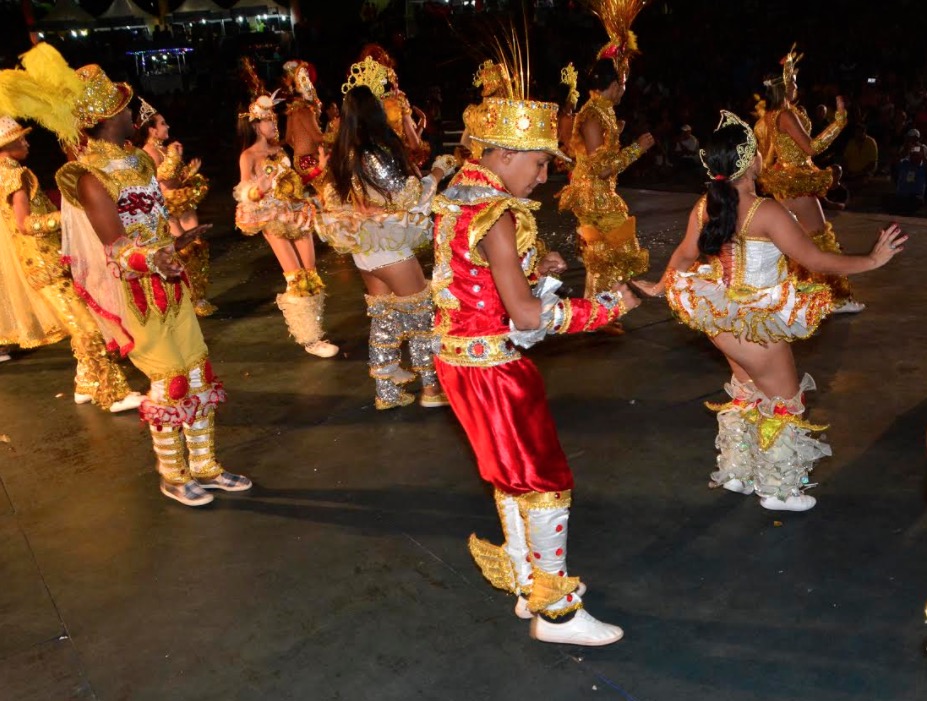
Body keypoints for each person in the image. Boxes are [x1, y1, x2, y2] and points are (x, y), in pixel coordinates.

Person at [433, 70, 641, 646]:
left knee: (510, 476)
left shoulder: (459, 193)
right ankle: (556, 613)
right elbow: (525, 317)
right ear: (501, 154)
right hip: (496, 369)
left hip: (458, 361)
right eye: (538, 163)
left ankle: (528, 587)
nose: (545, 177)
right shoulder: (498, 213)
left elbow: (474, 281)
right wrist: (603, 309)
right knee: (546, 480)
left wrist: (530, 269)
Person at [0, 43, 251, 506]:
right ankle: (174, 476)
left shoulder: (137, 160)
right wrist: (158, 257)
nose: (131, 111)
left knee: (198, 371)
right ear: (108, 117)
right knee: (170, 380)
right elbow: (116, 251)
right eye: (124, 107)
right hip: (137, 292)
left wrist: (177, 242)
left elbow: (152, 222)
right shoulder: (86, 176)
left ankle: (206, 466)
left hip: (170, 283)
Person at [635, 111, 905, 512]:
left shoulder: (704, 206)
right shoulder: (767, 211)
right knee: (784, 400)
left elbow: (687, 254)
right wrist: (871, 261)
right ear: (751, 162)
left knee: (745, 393)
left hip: (721, 317)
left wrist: (661, 285)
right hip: (755, 323)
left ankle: (739, 472)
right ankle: (779, 490)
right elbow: (817, 260)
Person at [315, 61, 454, 409]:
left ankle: (387, 393)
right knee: (422, 314)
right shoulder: (370, 152)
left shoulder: (342, 155)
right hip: (388, 246)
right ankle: (432, 389)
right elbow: (406, 196)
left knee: (385, 315)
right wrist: (438, 172)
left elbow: (335, 198)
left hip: (365, 249)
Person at [0, 113, 142, 412]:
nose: (27, 143)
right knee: (87, 328)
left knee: (83, 318)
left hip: (42, 262)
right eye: (20, 139)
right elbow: (25, 224)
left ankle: (86, 383)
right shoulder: (16, 176)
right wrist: (65, 218)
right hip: (47, 265)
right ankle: (113, 393)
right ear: (6, 146)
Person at [558, 0, 654, 335]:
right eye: (624, 79)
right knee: (612, 249)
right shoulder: (594, 113)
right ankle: (601, 312)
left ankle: (599, 313)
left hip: (600, 190)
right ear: (614, 83)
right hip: (593, 191)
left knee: (604, 252)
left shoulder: (605, 112)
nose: (626, 85)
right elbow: (600, 167)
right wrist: (636, 149)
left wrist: (620, 137)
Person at [755, 45, 863, 314]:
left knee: (801, 240)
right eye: (792, 82)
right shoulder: (786, 114)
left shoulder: (770, 115)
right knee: (820, 238)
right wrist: (839, 122)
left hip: (785, 180)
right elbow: (811, 148)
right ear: (782, 87)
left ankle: (802, 290)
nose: (795, 86)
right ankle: (836, 298)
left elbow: (769, 154)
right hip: (796, 181)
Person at [234, 92, 339, 359]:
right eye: (269, 121)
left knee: (311, 273)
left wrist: (318, 170)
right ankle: (310, 338)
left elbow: (294, 182)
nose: (274, 125)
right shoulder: (248, 156)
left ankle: (316, 330)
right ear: (256, 125)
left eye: (274, 120)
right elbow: (245, 191)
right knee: (296, 278)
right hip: (273, 217)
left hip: (296, 211)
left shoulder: (279, 150)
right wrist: (259, 190)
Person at [134, 98, 216, 317]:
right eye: (162, 124)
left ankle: (199, 296)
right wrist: (173, 156)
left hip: (182, 204)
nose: (167, 127)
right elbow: (158, 178)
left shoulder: (163, 150)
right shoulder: (146, 152)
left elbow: (173, 179)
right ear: (151, 130)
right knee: (183, 252)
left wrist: (189, 171)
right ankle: (187, 299)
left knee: (197, 247)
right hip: (166, 209)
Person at [356, 45, 429, 168]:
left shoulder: (359, 102)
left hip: (369, 166)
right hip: (395, 165)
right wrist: (421, 125)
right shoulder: (398, 101)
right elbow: (414, 144)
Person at [281, 60, 325, 183]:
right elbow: (318, 138)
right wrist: (338, 133)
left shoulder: (293, 110)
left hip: (299, 160)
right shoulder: (305, 110)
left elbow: (289, 138)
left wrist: (301, 148)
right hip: (308, 161)